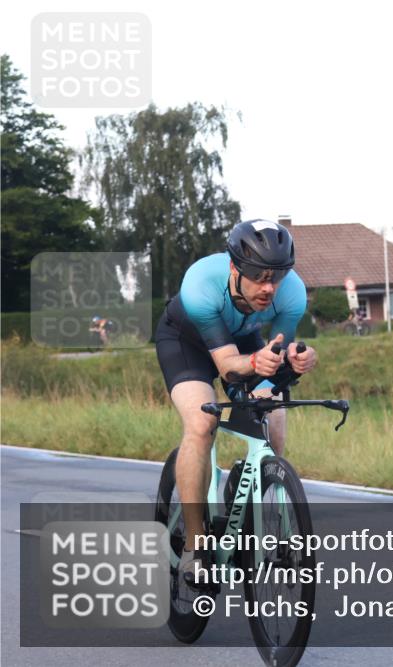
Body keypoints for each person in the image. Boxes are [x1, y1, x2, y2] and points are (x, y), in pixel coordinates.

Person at [154, 219, 317, 585]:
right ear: (234, 267)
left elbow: (277, 354)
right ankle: (196, 545)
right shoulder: (200, 284)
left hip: (243, 341)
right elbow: (228, 368)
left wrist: (297, 359)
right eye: (258, 276)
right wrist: (257, 363)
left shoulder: (292, 294)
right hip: (186, 343)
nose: (268, 287)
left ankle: (250, 486)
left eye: (276, 276)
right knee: (201, 423)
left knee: (271, 418)